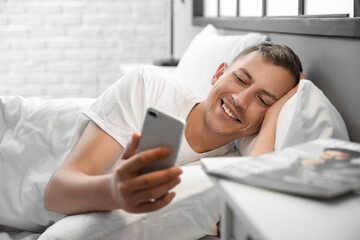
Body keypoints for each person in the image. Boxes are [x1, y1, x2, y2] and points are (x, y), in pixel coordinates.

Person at [44, 41, 303, 215]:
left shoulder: (230, 162)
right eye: (239, 79)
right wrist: (113, 192)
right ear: (218, 73)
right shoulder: (149, 86)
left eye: (263, 100)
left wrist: (273, 120)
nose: (240, 99)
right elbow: (55, 193)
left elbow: (241, 216)